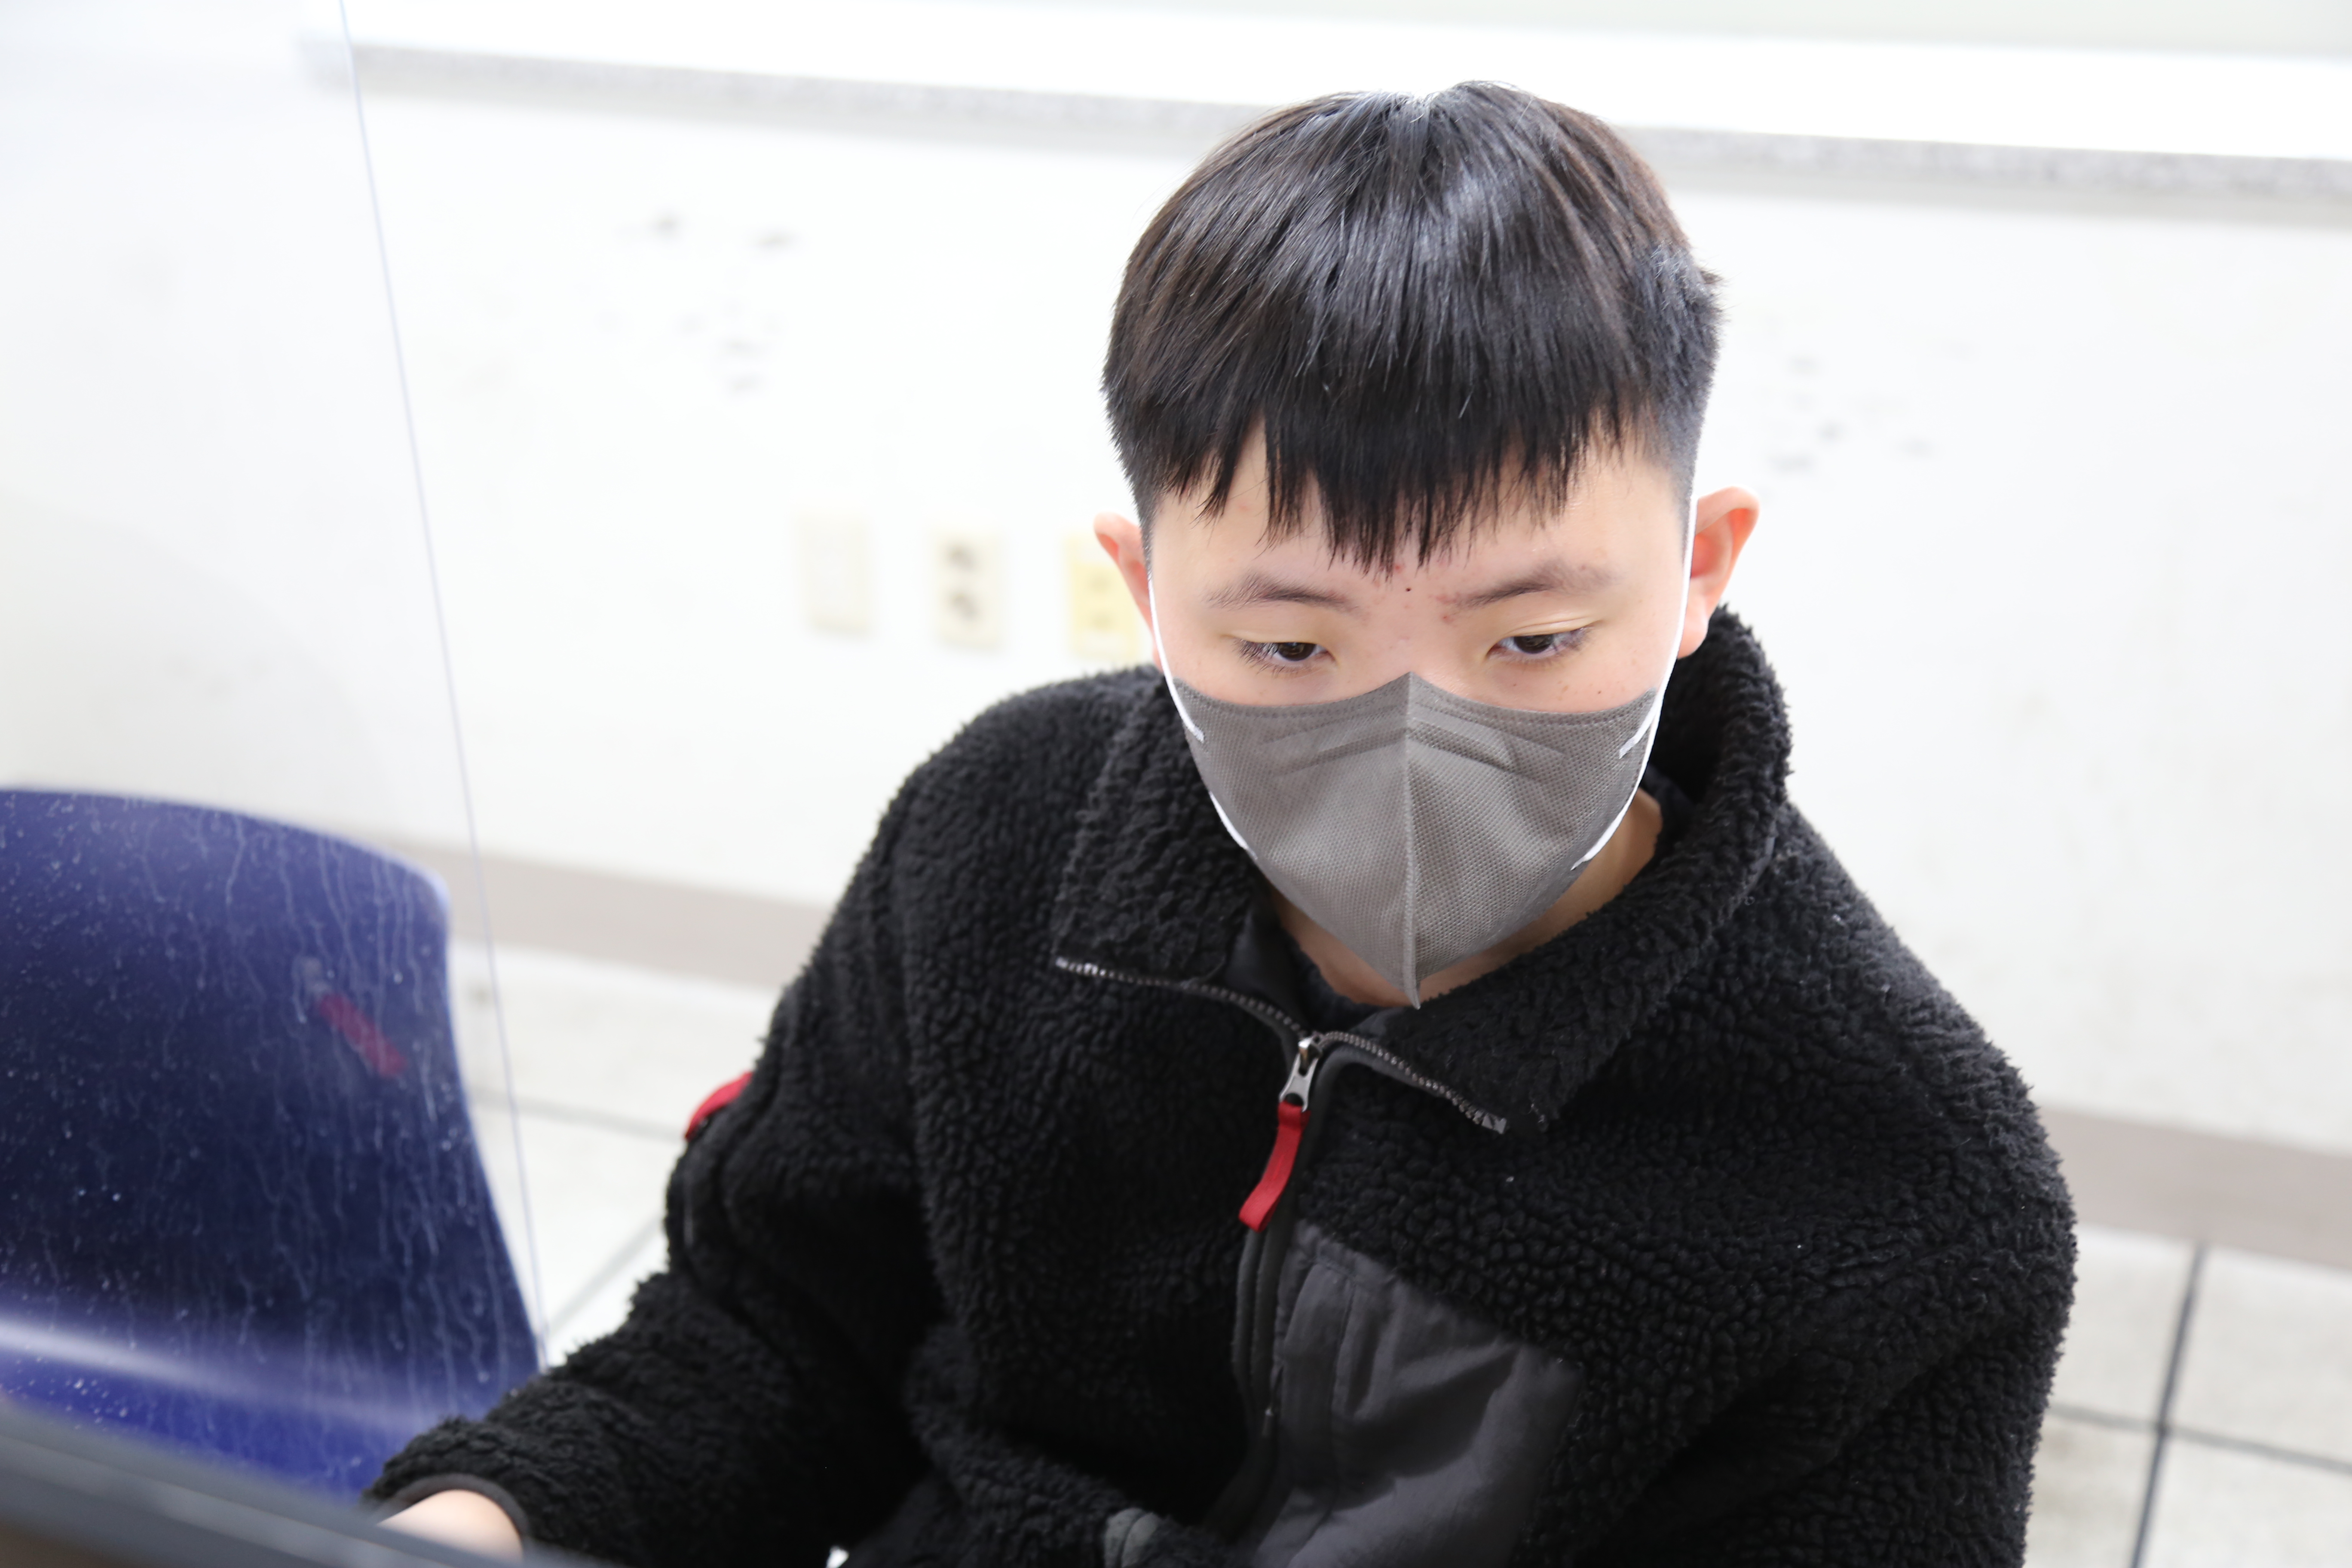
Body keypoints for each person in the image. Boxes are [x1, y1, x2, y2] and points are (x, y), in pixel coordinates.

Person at [376, 83, 2074, 1567]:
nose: (1415, 743)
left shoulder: (1906, 1191)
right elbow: (776, 1339)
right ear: (1144, 589)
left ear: (1699, 569)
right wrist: (487, 1516)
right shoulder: (994, 841)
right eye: (1290, 648)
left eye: (1536, 639)